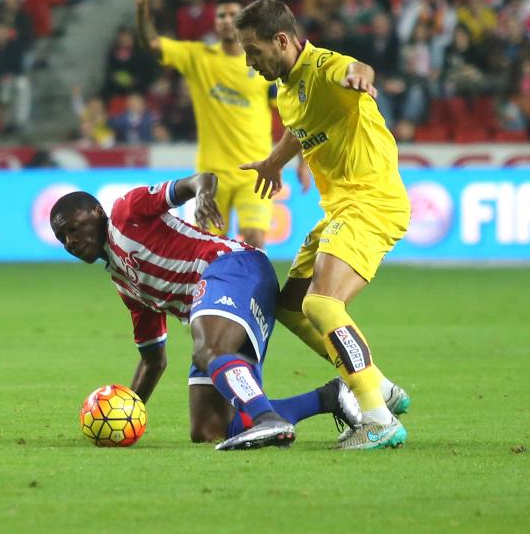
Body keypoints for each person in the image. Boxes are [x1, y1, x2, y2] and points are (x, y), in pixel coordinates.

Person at [49, 174, 362, 451]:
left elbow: (202, 179)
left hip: (233, 266)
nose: (70, 241)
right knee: (210, 429)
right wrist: (127, 413)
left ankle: (267, 418)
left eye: (73, 229)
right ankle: (330, 397)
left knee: (208, 349)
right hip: (222, 302)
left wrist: (202, 196)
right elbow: (153, 360)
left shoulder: (126, 211)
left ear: (96, 213)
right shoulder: (125, 285)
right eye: (62, 238)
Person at [234, 0, 411, 450]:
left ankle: (377, 418)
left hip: (371, 200)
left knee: (322, 304)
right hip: (341, 207)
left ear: (282, 40)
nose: (250, 63)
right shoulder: (286, 89)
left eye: (254, 51)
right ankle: (380, 385)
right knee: (290, 306)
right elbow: (299, 126)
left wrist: (362, 78)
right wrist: (275, 161)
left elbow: (356, 68)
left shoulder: (325, 68)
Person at [134, 0, 308, 249]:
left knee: (254, 240)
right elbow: (152, 44)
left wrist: (302, 161)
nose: (227, 21)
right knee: (210, 246)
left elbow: (293, 113)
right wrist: (143, 8)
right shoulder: (198, 57)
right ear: (214, 22)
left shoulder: (264, 63)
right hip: (211, 174)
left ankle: (255, 293)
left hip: (256, 168)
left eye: (232, 15)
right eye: (221, 16)